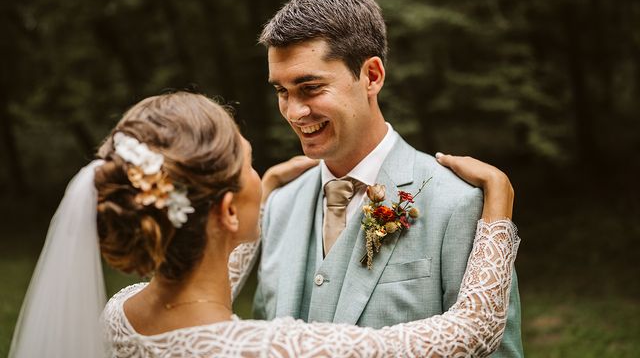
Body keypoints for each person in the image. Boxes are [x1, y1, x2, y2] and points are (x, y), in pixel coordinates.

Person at [9, 91, 520, 357]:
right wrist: (497, 206)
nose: (261, 175)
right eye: (249, 165)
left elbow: (205, 282)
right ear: (227, 212)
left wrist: (266, 184)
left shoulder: (120, 316)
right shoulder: (267, 349)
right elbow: (471, 333)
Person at [255, 0, 523, 356]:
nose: (294, 111)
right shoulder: (278, 205)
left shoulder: (459, 204)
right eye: (282, 92)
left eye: (311, 88)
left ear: (372, 76)